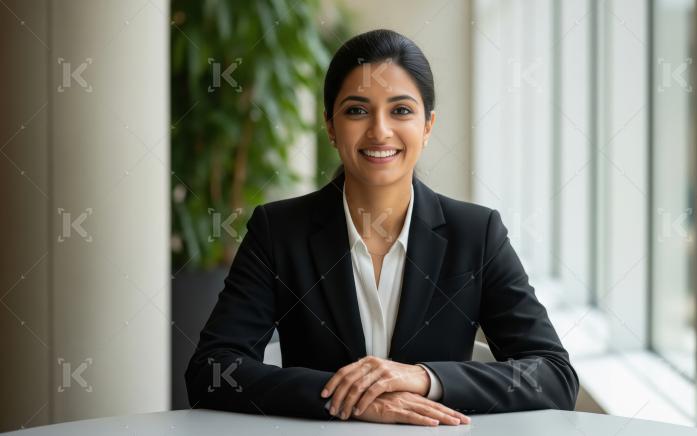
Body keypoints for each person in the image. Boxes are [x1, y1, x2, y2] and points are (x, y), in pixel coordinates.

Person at [185, 28, 579, 427]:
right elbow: (212, 372)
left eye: (401, 110)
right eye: (357, 110)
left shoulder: (476, 234)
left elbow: (553, 376)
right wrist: (349, 400)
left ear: (427, 125)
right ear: (330, 126)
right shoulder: (279, 230)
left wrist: (425, 378)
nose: (379, 131)